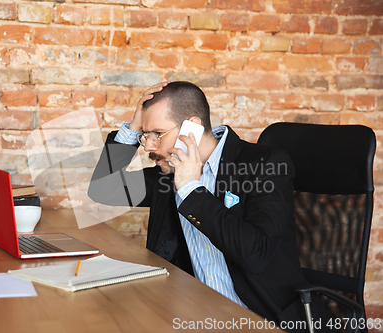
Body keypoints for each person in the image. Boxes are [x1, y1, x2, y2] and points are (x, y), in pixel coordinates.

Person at [88, 81, 331, 331]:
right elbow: (104, 187)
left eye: (157, 134)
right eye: (145, 136)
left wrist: (191, 189)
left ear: (192, 127)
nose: (149, 146)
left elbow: (255, 254)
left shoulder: (263, 165)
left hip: (263, 318)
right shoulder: (167, 175)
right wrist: (134, 126)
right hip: (195, 315)